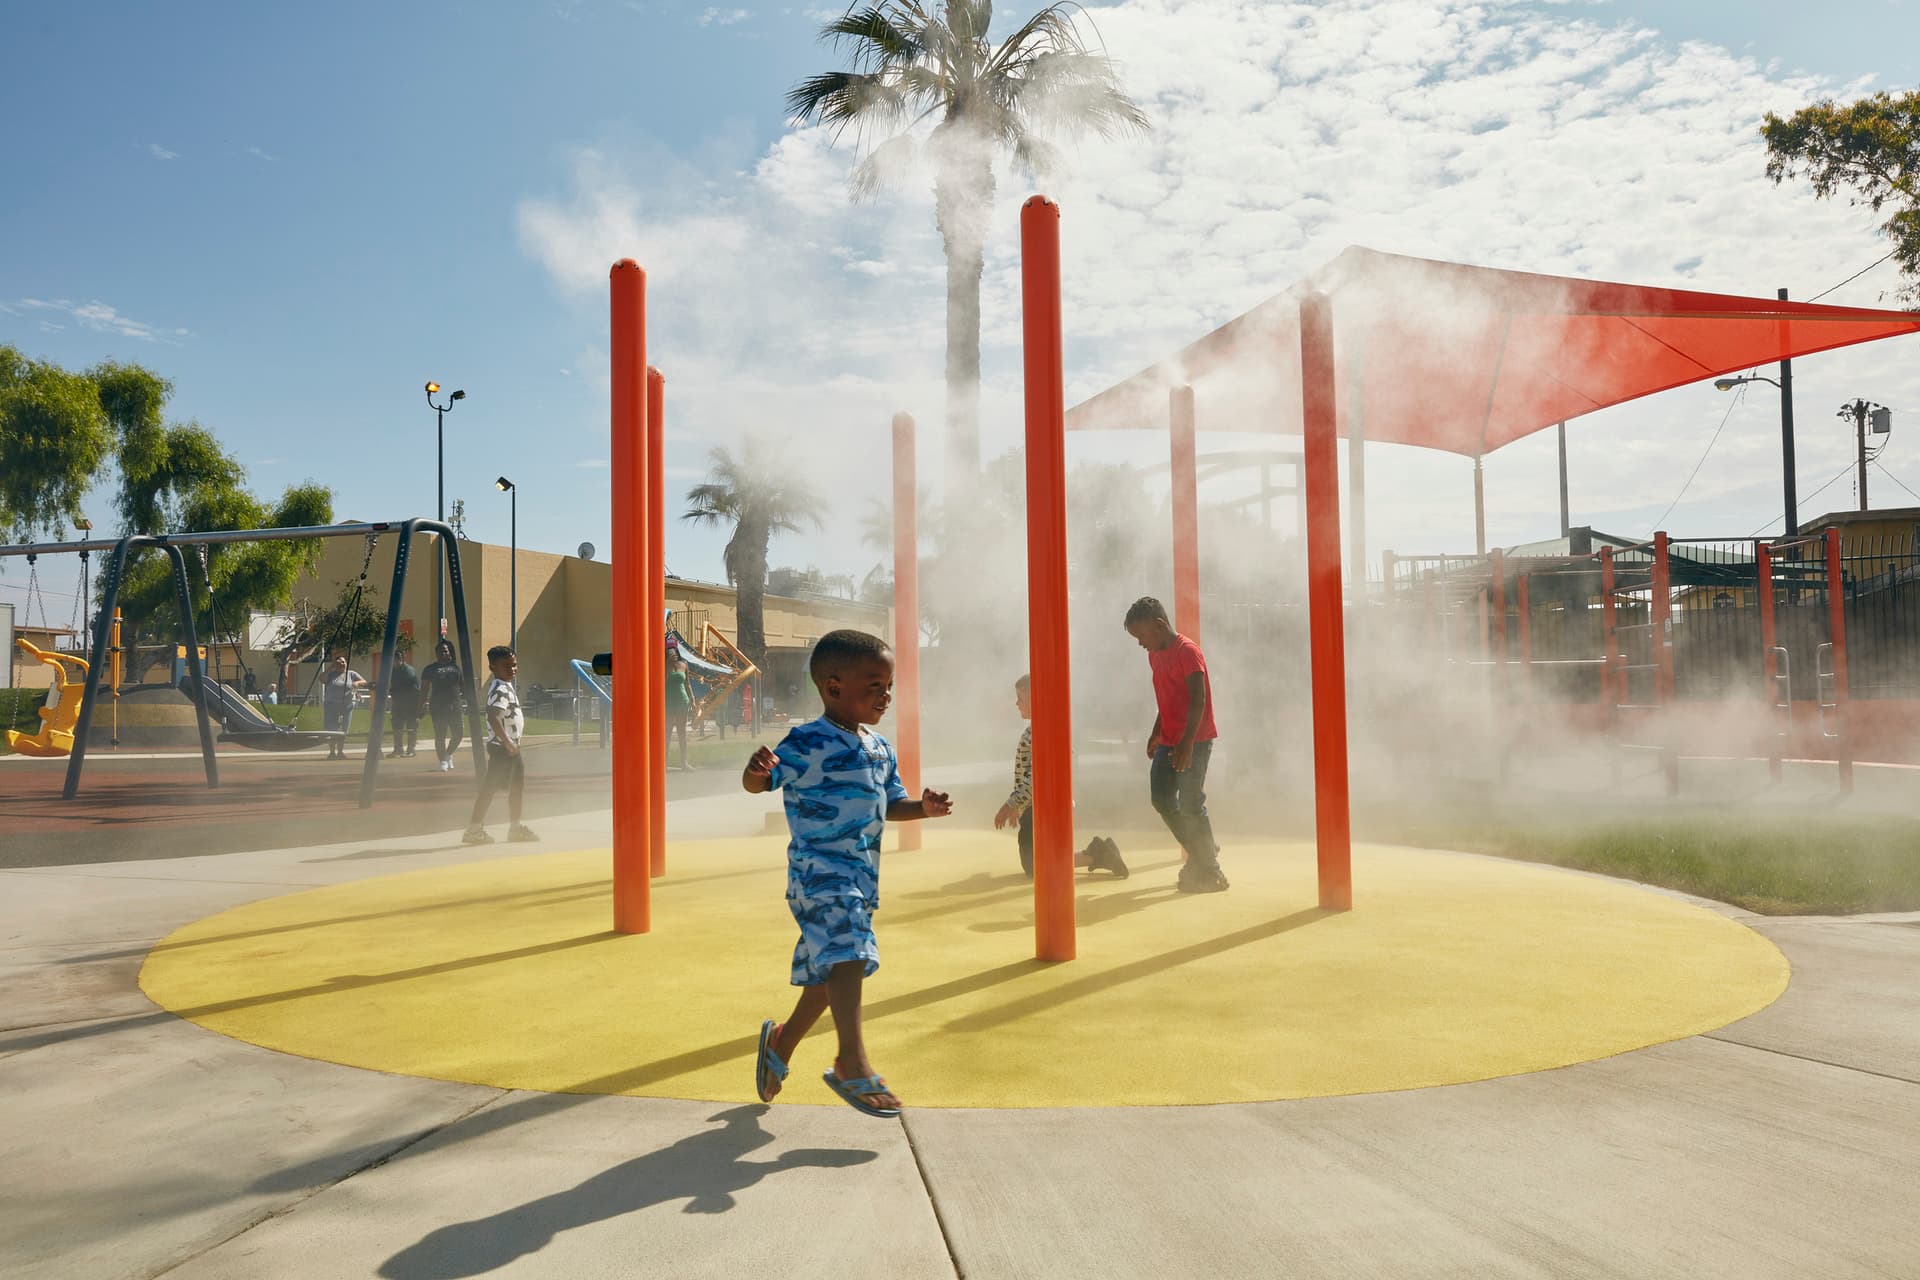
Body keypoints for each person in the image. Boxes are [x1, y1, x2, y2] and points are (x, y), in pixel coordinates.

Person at [746, 629, 951, 1119]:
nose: (885, 694)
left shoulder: (880, 748)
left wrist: (920, 808)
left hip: (860, 878)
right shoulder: (806, 742)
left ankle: (781, 1042)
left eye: (888, 686)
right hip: (819, 875)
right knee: (850, 955)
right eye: (873, 685)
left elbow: (889, 804)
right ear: (833, 687)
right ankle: (850, 1063)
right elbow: (760, 784)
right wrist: (755, 771)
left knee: (829, 973)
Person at [1123, 596, 1228, 893]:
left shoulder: (1188, 653)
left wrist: (1186, 746)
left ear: (1159, 626)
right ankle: (1203, 850)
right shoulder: (1154, 654)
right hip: (1170, 739)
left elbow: (1198, 700)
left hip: (1196, 739)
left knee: (1193, 802)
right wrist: (1157, 732)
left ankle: (1211, 870)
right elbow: (1167, 697)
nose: (1141, 643)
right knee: (1162, 798)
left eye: (1142, 636)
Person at [993, 673, 1128, 880]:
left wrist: (1012, 804)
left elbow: (1039, 776)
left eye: (1021, 697)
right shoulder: (1039, 729)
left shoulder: (1044, 730)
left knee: (1036, 864)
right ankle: (1099, 851)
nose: (1016, 703)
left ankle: (1095, 854)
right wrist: (1018, 806)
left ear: (1037, 698)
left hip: (1043, 809)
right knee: (1040, 860)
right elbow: (1027, 774)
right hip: (1036, 808)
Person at [463, 645, 538, 845]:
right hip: (504, 749)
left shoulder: (506, 686)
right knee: (490, 788)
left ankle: (514, 828)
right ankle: (474, 830)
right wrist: (508, 743)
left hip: (510, 748)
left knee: (516, 787)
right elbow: (493, 716)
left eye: (514, 665)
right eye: (506, 666)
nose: (511, 669)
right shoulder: (499, 688)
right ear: (492, 667)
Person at [422, 639, 467, 772]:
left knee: (458, 734)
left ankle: (448, 754)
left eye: (446, 651)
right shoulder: (430, 669)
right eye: (441, 651)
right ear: (436, 653)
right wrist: (421, 704)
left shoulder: (456, 668)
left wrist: (468, 699)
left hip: (455, 705)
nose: (443, 653)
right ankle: (442, 760)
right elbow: (424, 689)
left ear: (450, 653)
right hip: (437, 706)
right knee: (440, 735)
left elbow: (463, 687)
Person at [321, 653, 367, 761]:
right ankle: (332, 752)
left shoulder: (351, 674)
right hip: (331, 705)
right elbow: (322, 679)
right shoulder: (331, 674)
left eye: (343, 662)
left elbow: (364, 682)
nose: (342, 664)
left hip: (346, 705)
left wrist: (357, 683)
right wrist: (331, 666)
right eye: (339, 662)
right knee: (332, 729)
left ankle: (340, 751)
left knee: (344, 729)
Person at [387, 646, 421, 759]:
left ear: (401, 659)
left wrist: (418, 707)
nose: (395, 662)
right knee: (397, 726)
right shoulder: (393, 671)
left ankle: (411, 749)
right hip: (398, 703)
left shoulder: (408, 671)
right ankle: (398, 749)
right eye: (393, 660)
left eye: (397, 659)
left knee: (411, 727)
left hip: (410, 703)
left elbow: (412, 689)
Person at [664, 653, 692, 769]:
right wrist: (667, 665)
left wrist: (692, 698)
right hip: (668, 702)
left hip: (682, 701)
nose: (673, 654)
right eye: (670, 652)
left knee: (682, 732)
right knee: (667, 732)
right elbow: (661, 681)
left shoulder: (684, 664)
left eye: (675, 651)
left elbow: (687, 684)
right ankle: (663, 763)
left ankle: (684, 763)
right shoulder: (664, 665)